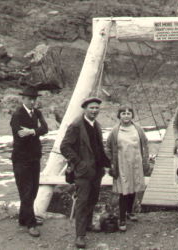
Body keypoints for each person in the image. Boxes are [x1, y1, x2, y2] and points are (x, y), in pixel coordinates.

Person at [60, 97, 110, 248]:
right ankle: (80, 236)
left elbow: (99, 149)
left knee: (92, 200)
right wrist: (79, 163)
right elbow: (65, 147)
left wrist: (108, 164)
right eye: (91, 108)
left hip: (96, 171)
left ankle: (88, 226)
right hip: (83, 172)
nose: (94, 110)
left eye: (96, 108)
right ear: (85, 109)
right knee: (82, 202)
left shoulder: (97, 125)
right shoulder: (76, 125)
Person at [10, 86, 48, 237]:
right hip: (21, 159)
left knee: (33, 190)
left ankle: (22, 218)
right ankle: (30, 224)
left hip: (34, 157)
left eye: (34, 99)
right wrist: (35, 132)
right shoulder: (17, 115)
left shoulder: (37, 113)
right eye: (30, 99)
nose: (33, 101)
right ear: (23, 99)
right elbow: (20, 135)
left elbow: (45, 128)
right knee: (26, 191)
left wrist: (32, 131)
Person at [106, 104, 150, 232]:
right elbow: (108, 147)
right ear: (119, 116)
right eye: (123, 113)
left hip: (136, 162)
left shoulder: (138, 129)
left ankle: (130, 212)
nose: (126, 115)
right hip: (122, 164)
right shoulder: (115, 131)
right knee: (124, 191)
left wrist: (145, 160)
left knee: (134, 188)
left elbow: (145, 144)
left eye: (128, 113)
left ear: (132, 115)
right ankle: (122, 219)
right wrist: (111, 162)